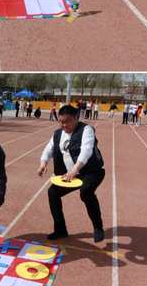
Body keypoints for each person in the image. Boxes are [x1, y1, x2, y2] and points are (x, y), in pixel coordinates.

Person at [37, 104, 106, 243]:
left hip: (92, 171)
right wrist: (43, 164)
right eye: (61, 121)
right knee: (53, 193)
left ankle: (98, 227)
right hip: (72, 173)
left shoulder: (86, 130)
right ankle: (60, 229)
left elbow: (87, 150)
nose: (64, 125)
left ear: (76, 117)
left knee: (86, 192)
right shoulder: (58, 133)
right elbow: (48, 150)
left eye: (67, 121)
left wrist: (75, 169)